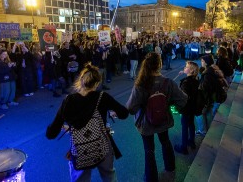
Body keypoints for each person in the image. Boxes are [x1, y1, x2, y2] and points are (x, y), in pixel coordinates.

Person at [46, 63, 129, 182]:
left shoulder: (69, 101)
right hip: (102, 145)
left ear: (81, 80)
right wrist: (113, 113)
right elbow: (124, 113)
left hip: (80, 149)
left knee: (80, 179)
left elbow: (51, 133)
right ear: (97, 83)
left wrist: (62, 127)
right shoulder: (103, 97)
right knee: (109, 176)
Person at [126, 52, 187, 182]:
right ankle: (170, 168)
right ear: (159, 64)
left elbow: (131, 108)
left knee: (149, 150)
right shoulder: (168, 82)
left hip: (146, 122)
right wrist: (168, 103)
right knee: (165, 142)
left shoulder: (141, 84)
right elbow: (183, 100)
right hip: (164, 120)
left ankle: (151, 177)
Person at [174, 61, 199, 155]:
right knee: (191, 124)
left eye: (186, 67)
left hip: (186, 108)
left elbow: (184, 96)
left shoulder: (186, 82)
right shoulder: (195, 80)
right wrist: (183, 74)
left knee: (184, 126)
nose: (184, 68)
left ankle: (183, 147)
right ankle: (191, 141)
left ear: (191, 70)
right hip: (193, 107)